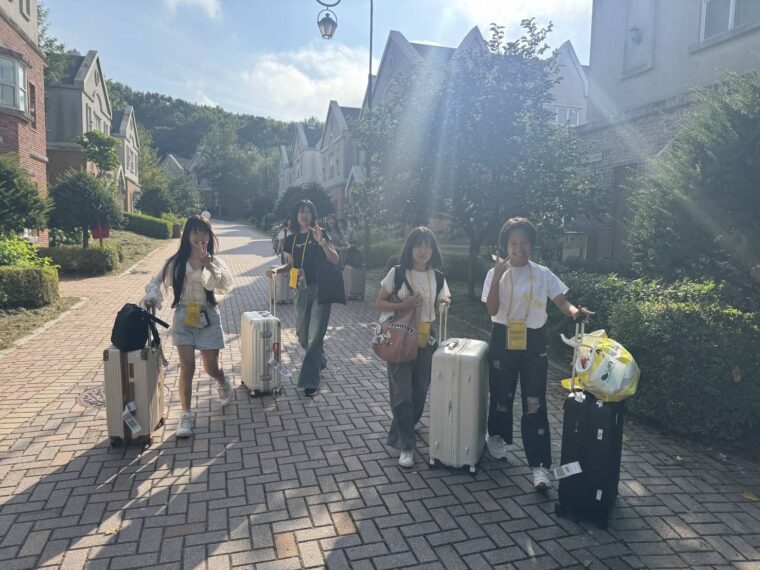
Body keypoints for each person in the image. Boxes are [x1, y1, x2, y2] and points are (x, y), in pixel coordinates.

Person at [482, 217, 592, 491]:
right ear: (505, 245)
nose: (519, 248)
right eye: (513, 243)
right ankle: (496, 436)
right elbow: (492, 310)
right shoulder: (495, 273)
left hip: (533, 339)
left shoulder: (542, 273)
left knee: (535, 400)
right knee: (501, 393)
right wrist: (497, 275)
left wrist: (575, 312)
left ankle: (539, 465)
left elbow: (561, 301)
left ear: (532, 245)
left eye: (524, 242)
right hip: (503, 336)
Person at [141, 215, 234, 439]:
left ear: (209, 236)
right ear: (187, 235)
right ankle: (186, 415)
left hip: (207, 316)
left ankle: (222, 380)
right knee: (187, 366)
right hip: (184, 316)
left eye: (204, 232)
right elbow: (156, 281)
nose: (199, 236)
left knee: (210, 367)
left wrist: (208, 266)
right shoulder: (176, 261)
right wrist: (151, 296)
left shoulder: (215, 262)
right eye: (194, 231)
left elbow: (223, 285)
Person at [375, 227, 451, 468]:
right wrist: (404, 304)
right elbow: (380, 302)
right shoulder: (397, 273)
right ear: (410, 248)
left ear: (433, 250)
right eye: (418, 245)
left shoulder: (438, 277)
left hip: (426, 338)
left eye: (427, 245)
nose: (422, 250)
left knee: (419, 389)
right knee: (402, 392)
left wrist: (445, 302)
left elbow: (444, 299)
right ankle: (406, 445)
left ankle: (406, 425)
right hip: (400, 336)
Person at [266, 200, 340, 396]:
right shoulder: (291, 240)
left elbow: (335, 259)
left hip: (321, 289)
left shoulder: (321, 234)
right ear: (295, 216)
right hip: (301, 289)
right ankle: (320, 359)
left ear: (312, 215)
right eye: (300, 212)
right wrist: (277, 270)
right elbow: (291, 265)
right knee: (302, 334)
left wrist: (321, 242)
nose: (304, 215)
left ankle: (309, 381)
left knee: (315, 336)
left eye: (307, 212)